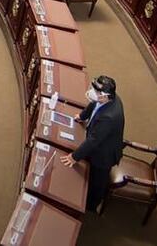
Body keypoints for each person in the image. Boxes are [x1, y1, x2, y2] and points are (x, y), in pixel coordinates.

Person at [61, 75, 125, 214]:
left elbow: (93, 141)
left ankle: (91, 206)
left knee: (97, 183)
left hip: (104, 155)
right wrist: (82, 116)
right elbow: (94, 104)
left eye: (96, 92)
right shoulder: (107, 98)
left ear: (105, 96)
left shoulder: (109, 117)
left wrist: (74, 157)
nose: (91, 92)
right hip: (100, 140)